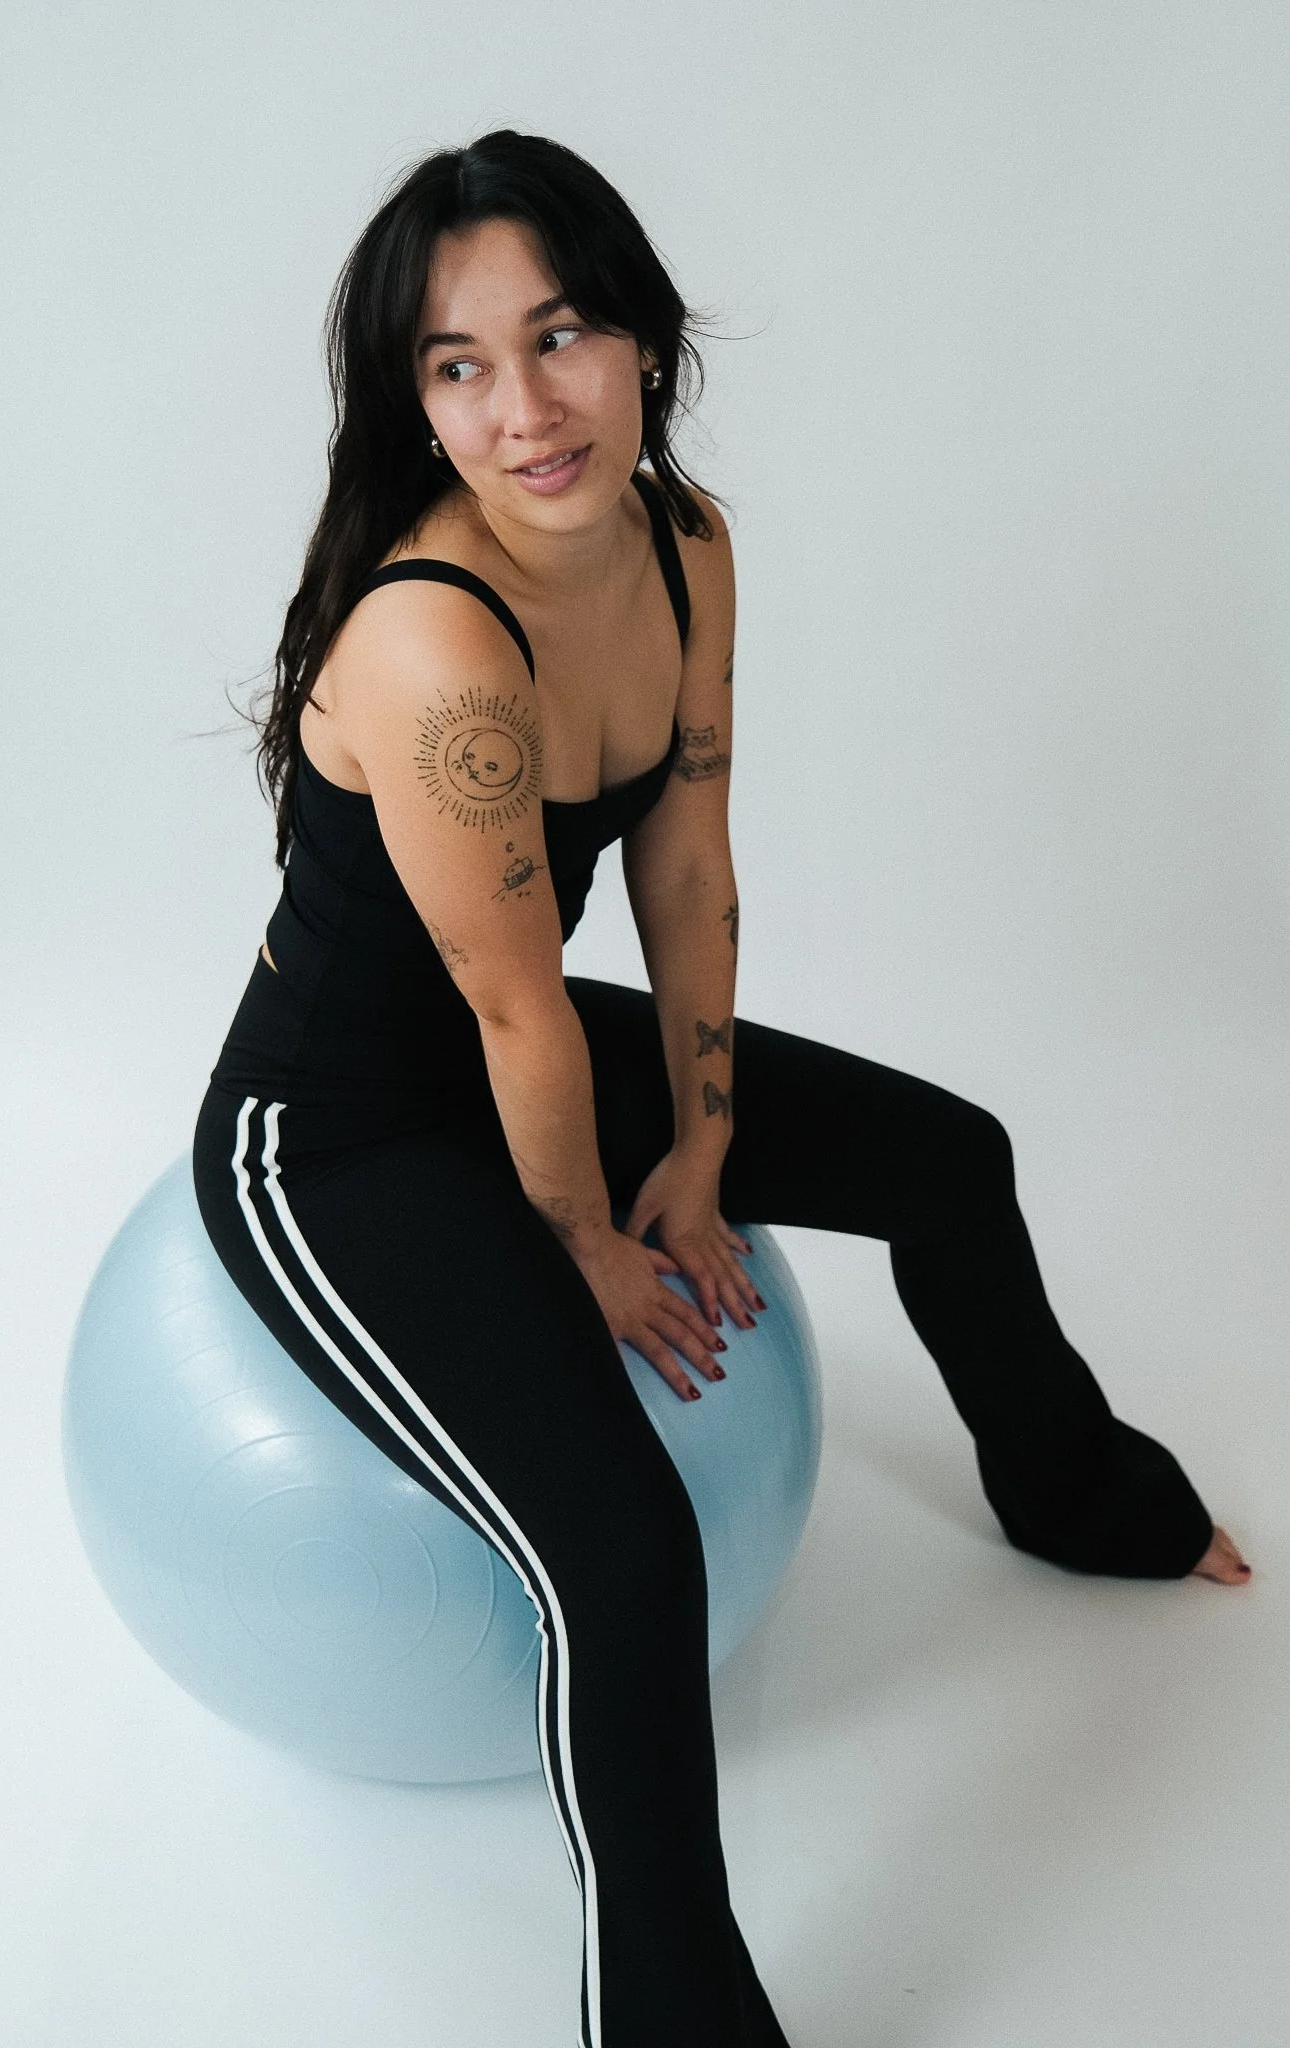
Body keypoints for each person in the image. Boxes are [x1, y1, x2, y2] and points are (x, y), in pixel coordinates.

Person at [192, 128, 1250, 2048]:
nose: (526, 410)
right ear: (410, 404)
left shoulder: (686, 547)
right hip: (330, 1138)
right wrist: (590, 1238)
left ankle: (1081, 1496)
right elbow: (518, 1020)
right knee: (617, 1543)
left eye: (564, 333)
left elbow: (686, 862)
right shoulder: (437, 648)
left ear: (643, 338)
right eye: (458, 366)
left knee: (955, 1158)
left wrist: (708, 1136)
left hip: (517, 1051)